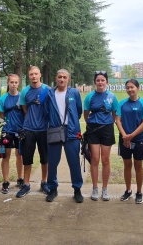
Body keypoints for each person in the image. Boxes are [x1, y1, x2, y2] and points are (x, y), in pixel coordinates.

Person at [44, 69, 84, 203]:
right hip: (55, 130)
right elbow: (46, 112)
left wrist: (70, 122)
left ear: (68, 79)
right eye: (60, 77)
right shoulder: (50, 93)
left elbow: (78, 111)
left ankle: (77, 189)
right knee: (53, 162)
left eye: (64, 77)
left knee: (74, 162)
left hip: (71, 131)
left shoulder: (74, 93)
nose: (62, 79)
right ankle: (52, 188)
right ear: (56, 78)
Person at [115, 79, 143, 204]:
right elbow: (118, 120)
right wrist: (125, 135)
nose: (130, 90)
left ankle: (139, 192)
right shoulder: (121, 104)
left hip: (139, 139)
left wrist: (132, 135)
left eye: (132, 87)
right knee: (127, 165)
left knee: (138, 166)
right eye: (127, 87)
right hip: (124, 139)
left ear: (137, 88)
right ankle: (128, 190)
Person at [16, 66, 50, 198]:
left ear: (40, 74)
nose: (34, 76)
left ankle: (44, 182)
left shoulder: (47, 90)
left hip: (44, 129)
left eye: (36, 74)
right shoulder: (25, 91)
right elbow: (24, 109)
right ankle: (26, 184)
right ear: (28, 76)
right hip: (29, 129)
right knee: (27, 159)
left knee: (45, 158)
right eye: (31, 74)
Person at [84, 71, 118, 201]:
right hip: (93, 129)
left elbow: (114, 113)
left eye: (102, 80)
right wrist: (93, 123)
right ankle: (94, 188)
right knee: (95, 159)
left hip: (107, 129)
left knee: (105, 160)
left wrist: (107, 122)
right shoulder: (89, 96)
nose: (100, 82)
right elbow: (86, 114)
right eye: (98, 80)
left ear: (107, 82)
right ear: (95, 82)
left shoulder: (112, 96)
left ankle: (105, 188)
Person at [0, 74, 24, 194]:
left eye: (16, 82)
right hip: (7, 131)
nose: (13, 84)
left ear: (18, 83)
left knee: (20, 156)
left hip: (20, 131)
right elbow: (2, 115)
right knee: (5, 157)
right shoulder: (3, 99)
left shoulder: (22, 98)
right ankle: (6, 181)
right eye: (11, 82)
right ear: (8, 83)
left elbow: (25, 113)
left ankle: (20, 179)